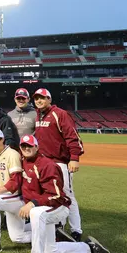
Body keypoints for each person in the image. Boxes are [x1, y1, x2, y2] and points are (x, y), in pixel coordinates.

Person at [0, 135, 113, 253]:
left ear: (37, 147)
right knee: (50, 249)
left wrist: (32, 203)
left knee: (36, 213)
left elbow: (56, 196)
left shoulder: (47, 165)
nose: (26, 148)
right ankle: (89, 247)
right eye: (23, 146)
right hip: (43, 207)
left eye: (30, 145)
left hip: (58, 206)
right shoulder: (22, 162)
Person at [33, 88, 84, 241]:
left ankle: (76, 230)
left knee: (68, 195)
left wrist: (74, 157)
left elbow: (72, 137)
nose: (38, 101)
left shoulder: (60, 114)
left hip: (60, 162)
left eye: (42, 98)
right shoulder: (38, 115)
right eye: (36, 99)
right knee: (51, 195)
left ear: (49, 99)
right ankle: (59, 225)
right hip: (44, 163)